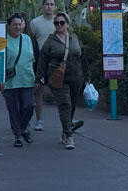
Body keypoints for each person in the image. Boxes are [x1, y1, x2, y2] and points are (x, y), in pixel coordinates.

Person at [37, 12, 89, 150]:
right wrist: (40, 78)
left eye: (62, 23)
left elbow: (82, 57)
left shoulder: (74, 38)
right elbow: (42, 60)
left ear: (67, 24)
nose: (59, 25)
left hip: (76, 76)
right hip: (57, 77)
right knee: (65, 104)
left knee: (71, 105)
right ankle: (69, 136)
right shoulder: (50, 41)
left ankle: (65, 130)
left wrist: (87, 75)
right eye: (56, 23)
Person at [0, 14, 36, 147]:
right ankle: (18, 136)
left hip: (27, 79)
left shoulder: (27, 39)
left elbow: (32, 58)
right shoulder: (3, 41)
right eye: (15, 24)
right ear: (9, 26)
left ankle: (24, 127)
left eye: (20, 24)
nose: (18, 27)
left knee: (29, 105)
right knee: (13, 109)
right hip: (10, 81)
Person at [29, 0, 58, 131]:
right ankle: (39, 120)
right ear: (43, 6)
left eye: (52, 4)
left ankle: (66, 119)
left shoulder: (60, 22)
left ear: (55, 7)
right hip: (40, 61)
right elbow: (31, 41)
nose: (49, 7)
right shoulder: (35, 23)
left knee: (60, 90)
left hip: (56, 61)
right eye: (47, 4)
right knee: (38, 91)